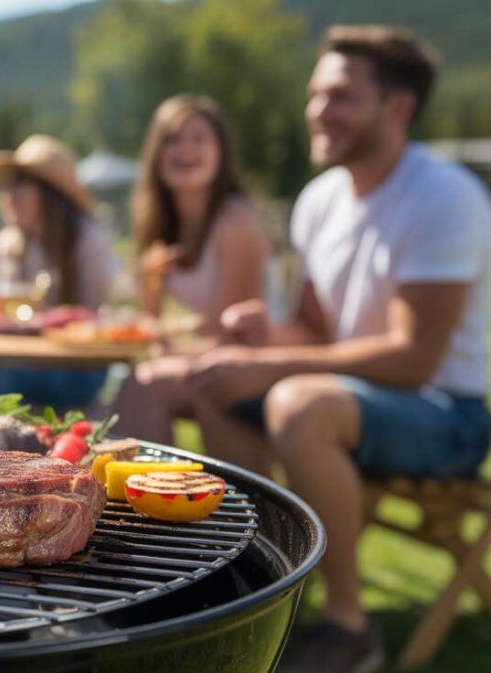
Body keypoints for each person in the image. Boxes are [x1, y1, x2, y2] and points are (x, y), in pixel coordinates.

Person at [189, 26, 491, 673]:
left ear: (399, 107)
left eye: (340, 95)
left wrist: (268, 364)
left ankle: (348, 625)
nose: (317, 110)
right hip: (349, 394)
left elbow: (415, 360)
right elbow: (315, 331)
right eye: (315, 93)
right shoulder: (321, 198)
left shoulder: (445, 198)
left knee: (299, 404)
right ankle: (246, 584)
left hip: (446, 414)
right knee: (191, 379)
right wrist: (263, 334)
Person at [114, 95, 271, 444]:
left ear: (221, 152)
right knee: (138, 378)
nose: (185, 150)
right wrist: (150, 284)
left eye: (199, 138)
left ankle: (150, 491)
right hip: (216, 356)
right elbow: (148, 327)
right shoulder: (162, 228)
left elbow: (232, 339)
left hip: (263, 361)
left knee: (145, 384)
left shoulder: (236, 222)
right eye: (171, 139)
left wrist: (165, 350)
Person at [0, 134, 117, 410]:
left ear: (50, 193)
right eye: (6, 185)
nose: (7, 195)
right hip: (23, 360)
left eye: (19, 184)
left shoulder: (87, 240)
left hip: (75, 366)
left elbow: (90, 319)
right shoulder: (10, 242)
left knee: (1, 378)